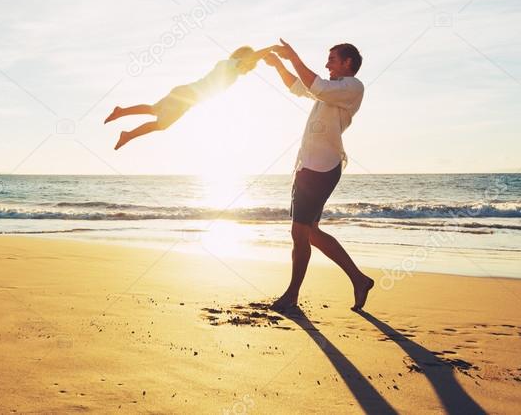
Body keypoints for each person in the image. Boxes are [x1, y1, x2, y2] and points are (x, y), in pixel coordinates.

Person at [263, 38, 374, 312]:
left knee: (299, 232)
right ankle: (360, 280)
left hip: (322, 168)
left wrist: (293, 56)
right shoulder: (330, 89)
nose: (327, 64)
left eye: (332, 59)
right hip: (306, 167)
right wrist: (278, 64)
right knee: (309, 233)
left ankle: (291, 295)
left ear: (348, 63)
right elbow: (297, 85)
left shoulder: (352, 87)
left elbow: (316, 85)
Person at [105, 46, 271, 150]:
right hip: (186, 97)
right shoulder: (229, 65)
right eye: (249, 66)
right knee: (161, 124)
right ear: (242, 58)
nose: (249, 69)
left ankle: (122, 111)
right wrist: (272, 49)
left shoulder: (230, 69)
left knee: (154, 109)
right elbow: (250, 57)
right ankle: (127, 135)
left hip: (184, 93)